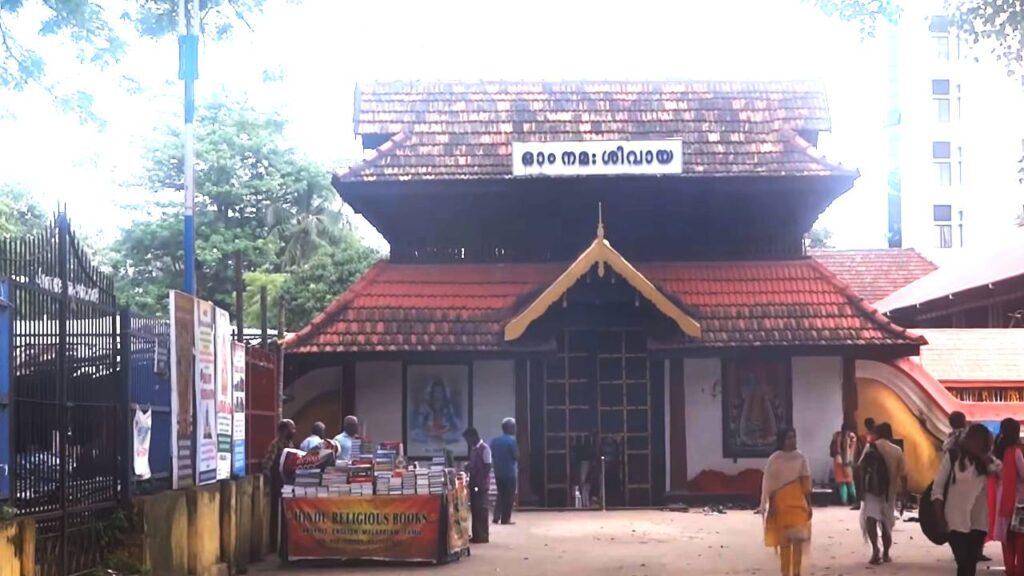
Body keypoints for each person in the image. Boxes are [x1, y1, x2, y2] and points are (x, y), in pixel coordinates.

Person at [934, 424, 1000, 576]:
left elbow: (999, 472)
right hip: (955, 520)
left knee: (970, 565)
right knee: (963, 562)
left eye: (980, 441)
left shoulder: (986, 462)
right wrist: (940, 519)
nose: (975, 443)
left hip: (978, 522)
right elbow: (937, 489)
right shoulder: (953, 457)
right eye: (973, 439)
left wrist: (984, 457)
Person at [759, 427, 812, 576]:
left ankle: (796, 572)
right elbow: (769, 484)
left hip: (798, 504)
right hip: (780, 505)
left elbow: (805, 481)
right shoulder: (775, 459)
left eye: (794, 437)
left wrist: (809, 504)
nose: (792, 440)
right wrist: (770, 505)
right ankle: (785, 573)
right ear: (782, 440)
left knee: (798, 540)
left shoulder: (800, 457)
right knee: (785, 542)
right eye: (789, 438)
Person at [859, 422, 906, 565]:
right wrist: (904, 494)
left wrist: (861, 489)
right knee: (886, 524)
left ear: (877, 433)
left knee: (870, 519)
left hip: (872, 491)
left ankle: (875, 551)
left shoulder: (870, 447)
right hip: (889, 493)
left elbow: (860, 467)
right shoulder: (897, 450)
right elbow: (903, 475)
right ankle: (886, 554)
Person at [989, 418, 1024, 576]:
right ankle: (1020, 569)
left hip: (1001, 500)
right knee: (1019, 537)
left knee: (1006, 538)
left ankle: (1010, 569)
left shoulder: (996, 452)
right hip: (1018, 501)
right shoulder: (1015, 452)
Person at [262, 419, 295, 549]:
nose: (294, 431)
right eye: (292, 429)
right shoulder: (275, 444)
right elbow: (266, 464)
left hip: (288, 484)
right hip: (277, 484)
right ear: (285, 430)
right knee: (276, 514)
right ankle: (274, 544)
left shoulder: (290, 444)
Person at [463, 427, 492, 544]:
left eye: (468, 440)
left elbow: (487, 467)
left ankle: (483, 536)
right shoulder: (474, 450)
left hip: (481, 485)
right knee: (475, 510)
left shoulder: (485, 449)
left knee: (481, 510)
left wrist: (481, 482)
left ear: (473, 437)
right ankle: (476, 535)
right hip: (474, 483)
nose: (467, 442)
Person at [490, 418, 519, 525]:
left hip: (498, 472)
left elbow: (491, 454)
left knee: (501, 494)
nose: (516, 429)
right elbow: (516, 456)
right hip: (510, 473)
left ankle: (496, 516)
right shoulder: (512, 441)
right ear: (510, 428)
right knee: (509, 496)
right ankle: (505, 519)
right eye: (514, 426)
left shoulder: (495, 441)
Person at [831, 423, 859, 507]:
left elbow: (834, 449)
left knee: (842, 482)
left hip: (839, 460)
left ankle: (845, 502)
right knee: (849, 481)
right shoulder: (852, 437)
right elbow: (853, 450)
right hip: (847, 461)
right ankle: (853, 500)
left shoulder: (836, 435)